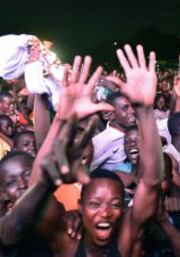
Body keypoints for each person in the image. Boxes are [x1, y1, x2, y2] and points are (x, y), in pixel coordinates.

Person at [29, 45, 165, 257]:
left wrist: (145, 110)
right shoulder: (67, 242)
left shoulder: (127, 237)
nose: (105, 212)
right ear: (80, 207)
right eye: (94, 204)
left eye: (115, 204)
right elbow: (35, 198)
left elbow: (151, 182)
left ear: (125, 209)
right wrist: (61, 119)